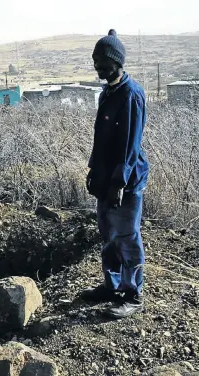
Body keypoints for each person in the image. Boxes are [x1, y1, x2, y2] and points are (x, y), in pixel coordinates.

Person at [82, 29, 149, 319]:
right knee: (108, 235)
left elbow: (129, 146)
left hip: (126, 182)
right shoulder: (107, 93)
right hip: (105, 177)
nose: (98, 68)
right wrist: (94, 170)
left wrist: (119, 182)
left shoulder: (131, 95)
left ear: (117, 62)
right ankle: (112, 288)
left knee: (126, 235)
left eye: (103, 63)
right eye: (95, 62)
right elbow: (101, 139)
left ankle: (133, 294)